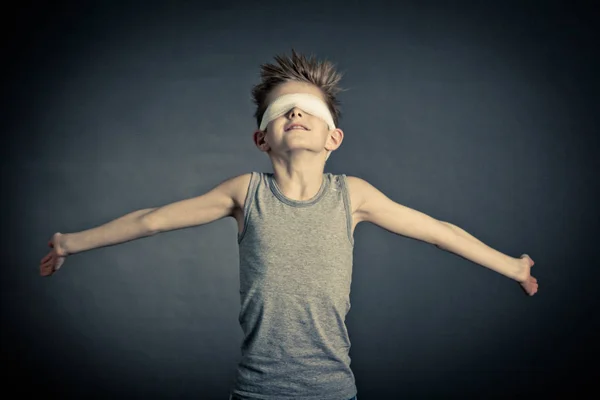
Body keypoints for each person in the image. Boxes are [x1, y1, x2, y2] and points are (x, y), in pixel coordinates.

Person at [39, 49, 538, 400]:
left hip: (333, 390)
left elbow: (438, 231)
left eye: (309, 109)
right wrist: (69, 242)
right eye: (282, 109)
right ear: (262, 138)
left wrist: (513, 267)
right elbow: (151, 221)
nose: (296, 111)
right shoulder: (246, 192)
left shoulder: (353, 195)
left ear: (333, 137)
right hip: (255, 390)